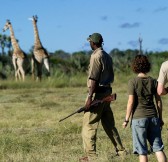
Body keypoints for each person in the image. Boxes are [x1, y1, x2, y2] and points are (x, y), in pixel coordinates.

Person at [79, 33, 126, 162]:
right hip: (107, 92)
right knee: (109, 124)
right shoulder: (107, 56)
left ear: (93, 43)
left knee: (89, 125)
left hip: (97, 94)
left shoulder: (96, 56)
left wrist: (90, 97)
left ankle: (91, 156)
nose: (89, 44)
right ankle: (121, 151)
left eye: (90, 42)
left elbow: (93, 79)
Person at [123, 55, 167, 162]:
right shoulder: (154, 81)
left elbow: (130, 102)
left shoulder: (132, 82)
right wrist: (160, 118)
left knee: (142, 151)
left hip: (138, 119)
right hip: (153, 117)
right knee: (158, 148)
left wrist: (126, 120)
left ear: (134, 67)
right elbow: (158, 101)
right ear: (147, 66)